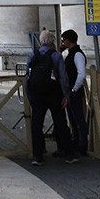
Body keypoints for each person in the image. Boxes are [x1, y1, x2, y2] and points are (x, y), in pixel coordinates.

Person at [25, 30, 76, 165]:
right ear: (52, 41)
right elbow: (63, 77)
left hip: (37, 95)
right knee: (60, 123)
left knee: (36, 124)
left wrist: (29, 93)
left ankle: (38, 155)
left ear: (40, 40)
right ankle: (69, 154)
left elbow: (27, 75)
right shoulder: (56, 56)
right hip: (54, 94)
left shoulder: (33, 54)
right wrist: (66, 95)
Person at [59, 30, 89, 157]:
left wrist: (74, 89)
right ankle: (76, 141)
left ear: (68, 40)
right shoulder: (70, 54)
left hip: (74, 90)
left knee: (78, 118)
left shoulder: (77, 55)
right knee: (72, 118)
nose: (62, 42)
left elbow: (81, 74)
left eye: (63, 39)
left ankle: (83, 144)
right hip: (70, 90)